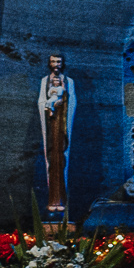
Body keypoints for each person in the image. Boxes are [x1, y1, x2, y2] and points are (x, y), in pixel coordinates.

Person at [37, 53, 76, 216]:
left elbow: (73, 101)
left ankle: (61, 201)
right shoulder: (45, 81)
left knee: (61, 161)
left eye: (59, 61)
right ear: (49, 62)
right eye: (53, 61)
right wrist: (49, 107)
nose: (56, 64)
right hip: (50, 126)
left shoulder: (69, 82)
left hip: (62, 127)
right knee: (51, 161)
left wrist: (63, 102)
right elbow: (41, 101)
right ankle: (52, 201)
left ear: (63, 63)